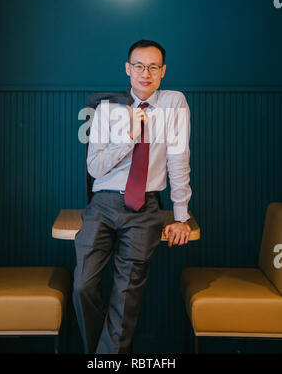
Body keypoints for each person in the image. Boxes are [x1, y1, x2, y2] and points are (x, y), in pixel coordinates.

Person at [72, 39, 192, 354]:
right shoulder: (106, 109)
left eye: (154, 67)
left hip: (146, 206)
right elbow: (95, 167)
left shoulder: (173, 103)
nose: (145, 73)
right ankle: (101, 355)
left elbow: (179, 160)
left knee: (125, 298)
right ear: (128, 69)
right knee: (82, 285)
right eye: (139, 66)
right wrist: (128, 136)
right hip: (103, 205)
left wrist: (181, 217)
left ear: (163, 71)